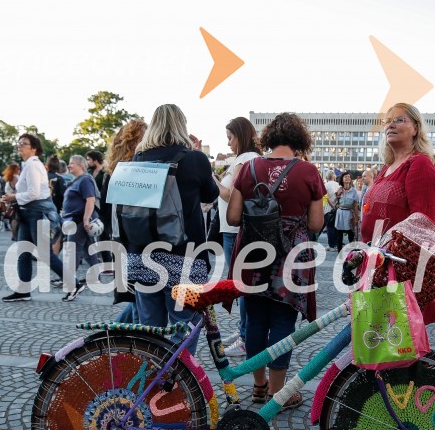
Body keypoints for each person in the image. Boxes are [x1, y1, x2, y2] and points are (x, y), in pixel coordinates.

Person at [227, 112, 325, 409]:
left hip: (253, 253)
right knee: (283, 321)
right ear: (299, 139)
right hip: (291, 256)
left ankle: (258, 386)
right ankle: (276, 393)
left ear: (268, 137)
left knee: (254, 320)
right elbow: (317, 223)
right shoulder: (308, 171)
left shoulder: (249, 167)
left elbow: (232, 218)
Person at [129, 104, 218, 351]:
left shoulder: (137, 158)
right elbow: (210, 195)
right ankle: (178, 383)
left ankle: (149, 382)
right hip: (184, 259)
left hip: (143, 257)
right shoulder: (195, 159)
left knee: (150, 329)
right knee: (185, 326)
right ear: (182, 125)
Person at [360, 103, 435, 324]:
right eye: (388, 121)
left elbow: (422, 224)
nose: (391, 125)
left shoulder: (419, 164)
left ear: (415, 128)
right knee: (370, 344)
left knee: (390, 349)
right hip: (375, 265)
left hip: (397, 271)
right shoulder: (387, 167)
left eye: (399, 120)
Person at [214, 117, 260, 357]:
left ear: (241, 136)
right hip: (232, 228)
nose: (229, 143)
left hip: (235, 229)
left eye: (231, 137)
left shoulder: (245, 159)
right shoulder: (246, 159)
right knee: (238, 282)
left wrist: (210, 179)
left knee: (240, 284)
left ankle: (246, 336)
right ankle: (244, 330)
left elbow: (230, 195)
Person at [1, 134, 64, 302]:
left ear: (33, 148)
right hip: (27, 214)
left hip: (37, 214)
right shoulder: (28, 165)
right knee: (23, 253)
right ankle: (24, 291)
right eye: (18, 143)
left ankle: (74, 283)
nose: (19, 146)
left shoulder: (33, 166)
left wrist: (13, 197)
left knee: (45, 254)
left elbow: (34, 193)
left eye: (24, 143)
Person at [105, 119, 148, 323]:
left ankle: (111, 337)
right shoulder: (137, 170)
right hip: (133, 240)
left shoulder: (115, 170)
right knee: (140, 299)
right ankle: (115, 341)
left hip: (122, 239)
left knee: (137, 299)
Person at [61, 155, 101, 302]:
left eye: (72, 164)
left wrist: (86, 219)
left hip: (80, 221)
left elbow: (90, 199)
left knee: (73, 251)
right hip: (74, 220)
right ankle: (95, 276)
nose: (69, 166)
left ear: (81, 165)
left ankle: (71, 285)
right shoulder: (76, 180)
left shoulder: (85, 180)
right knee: (88, 249)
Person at [335, 172, 358, 251]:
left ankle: (351, 254)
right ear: (342, 179)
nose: (348, 178)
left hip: (349, 214)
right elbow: (334, 202)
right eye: (345, 177)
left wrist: (356, 217)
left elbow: (355, 205)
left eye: (349, 177)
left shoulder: (354, 191)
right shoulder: (339, 190)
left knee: (351, 235)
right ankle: (339, 253)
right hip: (340, 213)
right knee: (339, 235)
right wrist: (337, 194)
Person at [1, 163, 21, 241]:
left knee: (13, 218)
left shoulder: (9, 178)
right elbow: (19, 189)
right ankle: (15, 235)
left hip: (10, 200)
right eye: (18, 168)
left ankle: (14, 234)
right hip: (16, 200)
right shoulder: (15, 178)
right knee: (16, 218)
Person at [323, 171, 340, 251]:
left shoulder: (325, 185)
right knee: (336, 227)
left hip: (328, 209)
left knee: (329, 228)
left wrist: (332, 205)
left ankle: (331, 245)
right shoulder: (338, 185)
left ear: (327, 177)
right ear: (334, 177)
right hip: (337, 208)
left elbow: (326, 198)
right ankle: (336, 244)